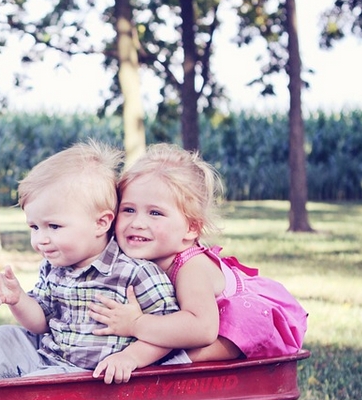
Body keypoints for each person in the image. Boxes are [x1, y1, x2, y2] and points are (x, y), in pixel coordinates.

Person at [0, 141, 183, 386]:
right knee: (2, 337)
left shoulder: (135, 273)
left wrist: (131, 357)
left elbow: (169, 333)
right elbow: (40, 323)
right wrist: (18, 300)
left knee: (29, 386)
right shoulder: (54, 266)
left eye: (54, 227)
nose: (41, 240)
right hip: (47, 354)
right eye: (34, 228)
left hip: (85, 376)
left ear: (100, 223)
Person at [88, 143, 308, 367]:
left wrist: (136, 324)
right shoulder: (139, 257)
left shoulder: (191, 268)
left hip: (246, 324)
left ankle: (176, 362)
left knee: (188, 345)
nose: (137, 223)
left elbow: (202, 329)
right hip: (202, 322)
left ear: (191, 228)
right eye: (129, 210)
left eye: (155, 213)